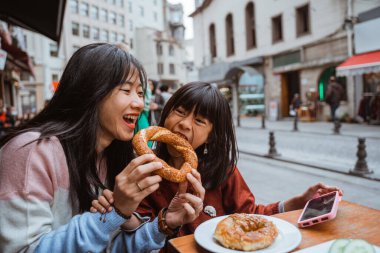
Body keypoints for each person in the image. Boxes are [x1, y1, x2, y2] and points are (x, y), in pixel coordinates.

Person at [0, 43, 204, 253]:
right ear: (91, 91)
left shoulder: (111, 158)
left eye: (140, 93)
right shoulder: (30, 152)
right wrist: (115, 213)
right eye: (126, 90)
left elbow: (109, 247)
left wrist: (165, 223)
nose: (139, 104)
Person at [92, 82, 343, 245]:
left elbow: (251, 215)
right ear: (166, 113)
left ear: (212, 134)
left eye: (199, 121)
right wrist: (120, 214)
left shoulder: (223, 172)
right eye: (179, 111)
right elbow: (135, 231)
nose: (184, 124)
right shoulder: (145, 170)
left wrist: (298, 202)